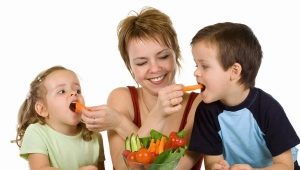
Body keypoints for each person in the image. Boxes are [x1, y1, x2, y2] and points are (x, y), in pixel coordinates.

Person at [80, 7, 203, 169]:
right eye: (141, 62)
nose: (155, 68)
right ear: (130, 66)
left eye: (163, 56)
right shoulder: (121, 98)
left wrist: (120, 123)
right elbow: (123, 168)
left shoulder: (199, 104)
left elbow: (174, 167)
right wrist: (156, 115)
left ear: (176, 53)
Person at [188, 22, 300, 170]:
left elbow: (286, 166)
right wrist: (216, 167)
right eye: (196, 65)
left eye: (205, 66)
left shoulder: (267, 108)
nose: (196, 73)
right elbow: (211, 162)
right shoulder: (206, 111)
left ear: (234, 71)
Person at [13, 65, 105, 170]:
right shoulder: (36, 132)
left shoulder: (95, 136)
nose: (74, 93)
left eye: (78, 91)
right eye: (62, 91)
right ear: (43, 109)